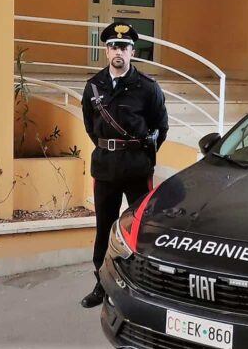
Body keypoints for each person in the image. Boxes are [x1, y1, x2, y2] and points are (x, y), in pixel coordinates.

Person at [80, 22, 169, 308]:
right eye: (113, 47)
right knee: (104, 229)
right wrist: (110, 148)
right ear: (106, 52)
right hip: (106, 169)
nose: (118, 52)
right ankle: (101, 284)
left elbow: (161, 127)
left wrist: (142, 157)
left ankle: (144, 286)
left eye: (124, 47)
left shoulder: (147, 87)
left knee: (142, 229)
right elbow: (91, 127)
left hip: (136, 169)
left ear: (133, 52)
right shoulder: (94, 86)